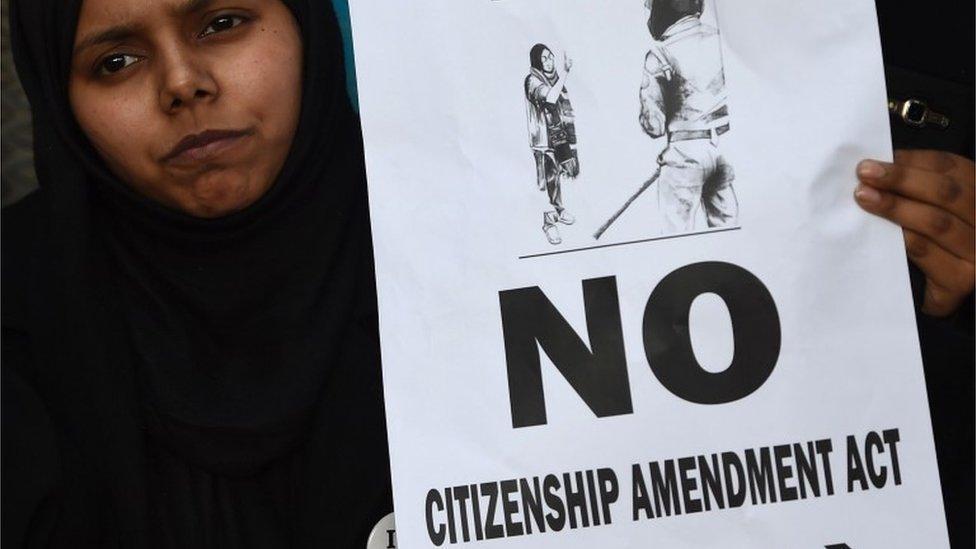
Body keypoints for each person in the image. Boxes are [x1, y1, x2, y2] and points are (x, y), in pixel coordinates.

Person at [2, 0, 391, 547]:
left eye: (222, 24)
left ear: (307, 24)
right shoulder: (14, 323)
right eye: (115, 62)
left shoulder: (476, 246)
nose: (183, 84)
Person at [639, 0, 738, 234]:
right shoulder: (719, 39)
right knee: (728, 232)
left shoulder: (660, 53)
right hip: (720, 150)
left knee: (676, 239)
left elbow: (654, 125)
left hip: (684, 155)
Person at [525, 44, 579, 245]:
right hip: (541, 141)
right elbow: (550, 96)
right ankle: (548, 224)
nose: (549, 62)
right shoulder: (532, 81)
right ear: (538, 62)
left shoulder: (554, 80)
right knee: (543, 183)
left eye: (551, 57)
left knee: (554, 178)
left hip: (556, 137)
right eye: (545, 59)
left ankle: (559, 209)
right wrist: (565, 72)